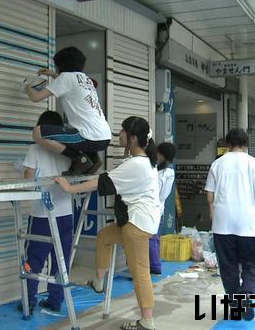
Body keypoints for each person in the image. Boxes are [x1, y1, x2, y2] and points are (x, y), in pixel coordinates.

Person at [56, 116, 160, 330]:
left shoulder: (135, 165)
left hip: (137, 227)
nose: (118, 135)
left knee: (140, 272)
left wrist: (69, 188)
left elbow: (99, 182)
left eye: (122, 132)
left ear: (132, 138)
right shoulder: (144, 161)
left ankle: (147, 321)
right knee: (104, 236)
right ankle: (99, 281)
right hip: (136, 222)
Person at [204, 129, 255, 321]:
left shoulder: (217, 163)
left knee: (228, 267)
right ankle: (247, 293)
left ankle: (235, 306)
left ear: (227, 144)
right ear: (246, 144)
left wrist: (213, 216)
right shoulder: (253, 163)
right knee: (251, 264)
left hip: (222, 224)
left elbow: (210, 195)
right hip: (246, 224)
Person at [22, 46, 111, 175]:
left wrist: (27, 85)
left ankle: (79, 159)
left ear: (60, 66)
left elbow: (35, 98)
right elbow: (69, 82)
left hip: (87, 136)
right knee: (64, 134)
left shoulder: (65, 78)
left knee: (38, 132)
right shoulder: (86, 79)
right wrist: (52, 74)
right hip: (104, 136)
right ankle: (85, 158)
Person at [19, 111, 74, 313]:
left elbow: (28, 178)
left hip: (42, 213)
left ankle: (29, 300)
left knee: (33, 259)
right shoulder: (68, 150)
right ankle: (55, 300)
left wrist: (23, 170)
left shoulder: (35, 148)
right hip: (66, 212)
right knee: (61, 258)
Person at [149, 142, 176, 275]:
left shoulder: (166, 172)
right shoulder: (163, 170)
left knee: (152, 238)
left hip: (155, 208)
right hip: (157, 208)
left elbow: (162, 194)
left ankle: (154, 266)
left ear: (162, 155)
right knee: (154, 237)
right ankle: (154, 265)